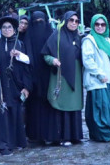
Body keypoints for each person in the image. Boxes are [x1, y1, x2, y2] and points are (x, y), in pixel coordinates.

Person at [0, 16, 32, 156]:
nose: (7, 30)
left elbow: (29, 67)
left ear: (14, 29)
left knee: (15, 113)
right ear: (0, 29)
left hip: (16, 86)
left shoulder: (21, 45)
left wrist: (26, 87)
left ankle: (14, 142)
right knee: (1, 114)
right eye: (4, 27)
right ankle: (2, 145)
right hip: (0, 87)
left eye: (9, 27)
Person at [82, 14, 110, 143]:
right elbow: (88, 60)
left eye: (103, 24)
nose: (100, 27)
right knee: (100, 110)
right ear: (92, 25)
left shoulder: (109, 41)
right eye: (97, 24)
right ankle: (107, 135)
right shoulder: (89, 40)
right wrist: (100, 74)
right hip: (98, 81)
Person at [41, 11, 84, 146]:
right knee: (62, 104)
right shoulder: (56, 36)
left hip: (76, 75)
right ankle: (63, 137)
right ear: (65, 21)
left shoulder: (79, 37)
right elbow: (45, 54)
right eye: (71, 20)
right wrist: (52, 60)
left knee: (74, 104)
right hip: (61, 75)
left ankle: (75, 136)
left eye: (76, 21)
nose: (73, 23)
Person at [23, 12, 54, 143]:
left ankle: (51, 134)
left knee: (49, 105)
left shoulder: (51, 34)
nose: (39, 25)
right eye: (36, 23)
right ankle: (33, 135)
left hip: (49, 76)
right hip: (32, 77)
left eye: (41, 22)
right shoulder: (27, 38)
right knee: (34, 107)